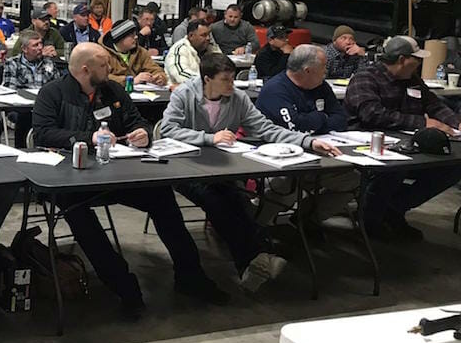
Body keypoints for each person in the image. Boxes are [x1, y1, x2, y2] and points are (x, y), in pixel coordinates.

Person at [32, 43, 228, 314]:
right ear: (85, 69)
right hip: (71, 177)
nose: (110, 68)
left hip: (118, 172)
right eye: (103, 65)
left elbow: (137, 120)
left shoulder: (112, 90)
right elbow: (42, 134)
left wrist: (142, 133)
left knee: (162, 198)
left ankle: (190, 276)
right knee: (80, 216)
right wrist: (85, 138)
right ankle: (123, 286)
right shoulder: (52, 93)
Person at [161, 53, 341, 291]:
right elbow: (167, 129)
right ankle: (257, 256)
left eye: (232, 79)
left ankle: (252, 262)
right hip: (185, 168)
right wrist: (208, 138)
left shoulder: (237, 98)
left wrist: (307, 142)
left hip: (221, 168)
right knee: (216, 201)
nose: (231, 84)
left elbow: (266, 128)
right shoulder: (184, 95)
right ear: (207, 79)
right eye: (225, 79)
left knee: (234, 199)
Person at [344, 35, 461, 240]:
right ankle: (370, 220)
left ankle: (393, 209)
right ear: (402, 60)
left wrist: (455, 122)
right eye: (416, 58)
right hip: (371, 142)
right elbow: (372, 114)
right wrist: (422, 123)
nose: (419, 62)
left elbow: (434, 104)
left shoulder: (413, 80)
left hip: (410, 142)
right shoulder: (365, 78)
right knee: (394, 170)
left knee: (452, 167)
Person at [255, 44, 359, 227]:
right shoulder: (276, 90)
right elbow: (294, 128)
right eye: (323, 67)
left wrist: (312, 122)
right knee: (286, 185)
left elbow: (341, 120)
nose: (326, 71)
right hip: (281, 162)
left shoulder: (321, 86)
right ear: (308, 70)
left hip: (322, 155)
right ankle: (254, 227)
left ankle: (307, 220)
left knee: (354, 179)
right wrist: (321, 117)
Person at [2, 30, 62, 147]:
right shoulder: (13, 63)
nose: (40, 48)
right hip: (21, 108)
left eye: (41, 44)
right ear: (24, 49)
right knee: (26, 117)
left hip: (45, 105)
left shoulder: (48, 63)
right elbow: (9, 91)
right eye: (35, 45)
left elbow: (57, 88)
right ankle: (22, 149)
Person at [100, 18, 167, 87]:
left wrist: (159, 77)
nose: (136, 37)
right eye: (131, 35)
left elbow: (155, 69)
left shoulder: (141, 52)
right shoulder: (103, 54)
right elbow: (102, 76)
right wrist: (130, 80)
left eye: (135, 34)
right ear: (120, 38)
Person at [165, 20, 221, 84]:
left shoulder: (212, 48)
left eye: (209, 35)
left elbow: (223, 68)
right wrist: (208, 81)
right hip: (182, 91)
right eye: (204, 35)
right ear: (191, 36)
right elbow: (181, 75)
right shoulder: (179, 49)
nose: (208, 38)